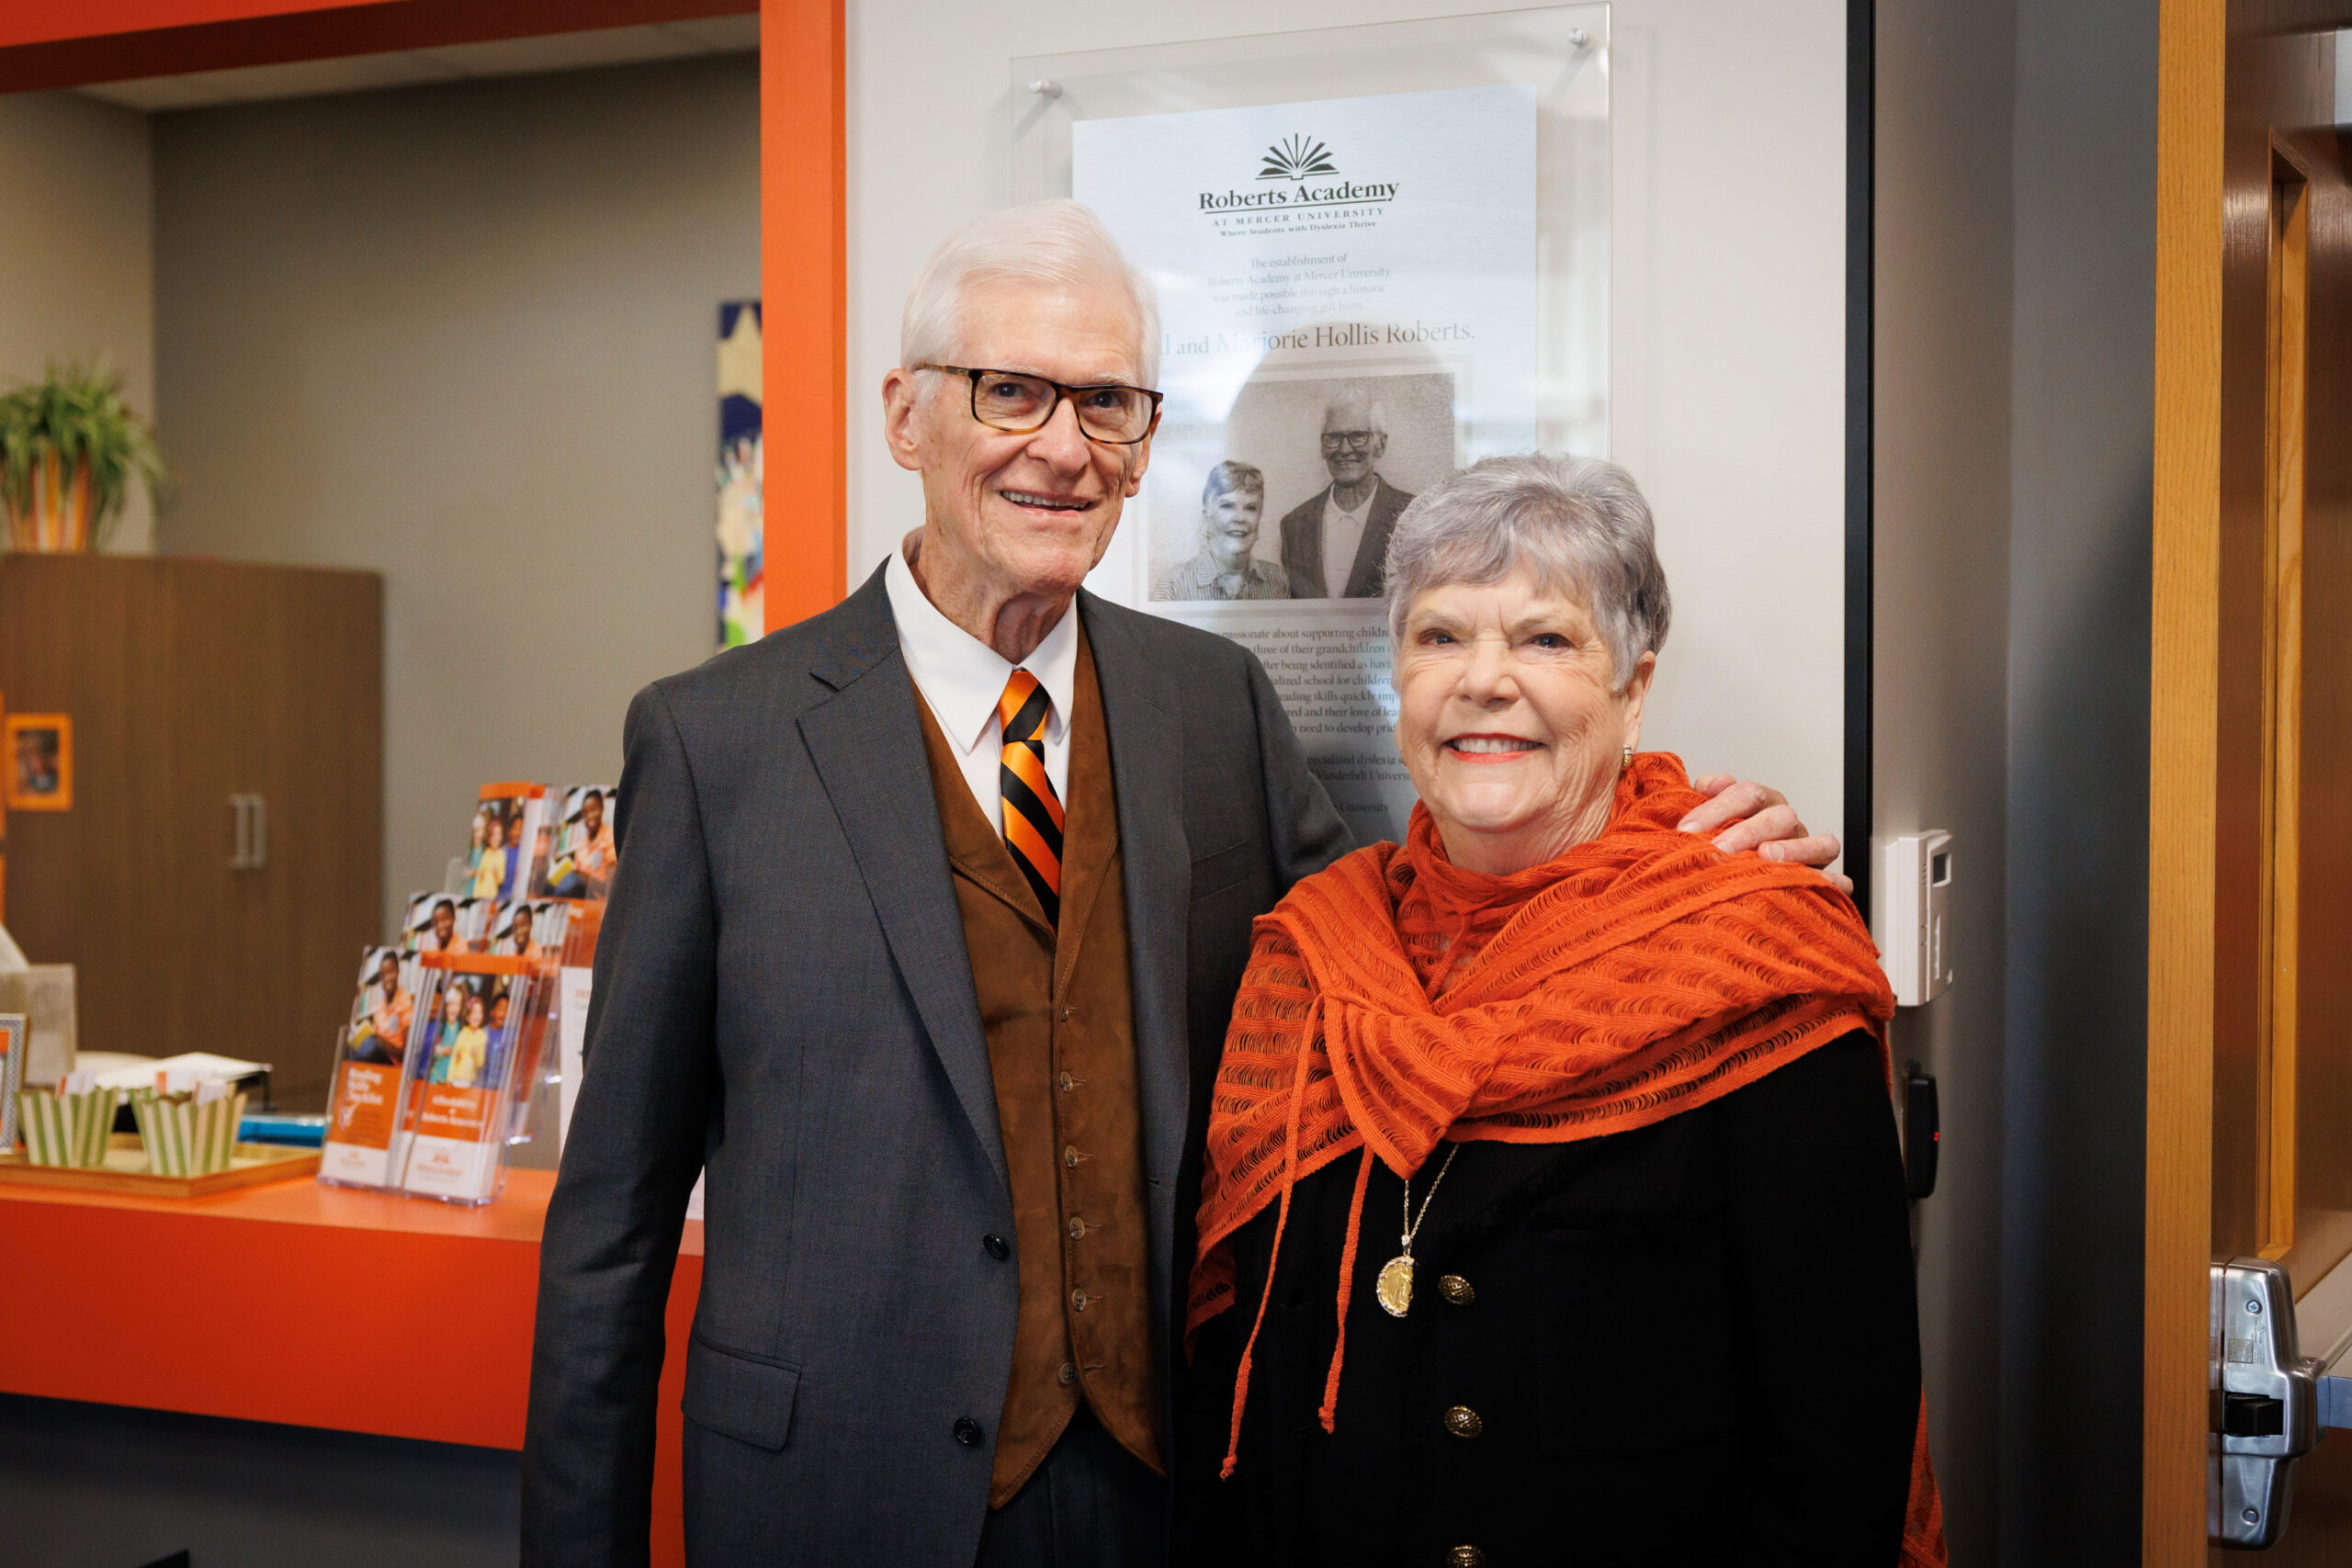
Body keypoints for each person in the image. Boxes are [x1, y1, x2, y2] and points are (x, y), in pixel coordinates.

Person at [522, 201, 1841, 1568]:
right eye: (1012, 390)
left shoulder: (1210, 702)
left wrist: (1668, 853)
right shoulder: (715, 742)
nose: (1062, 445)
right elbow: (610, 1223)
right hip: (839, 1490)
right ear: (906, 415)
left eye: (1108, 402)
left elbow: (1416, 936)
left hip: (1162, 1495)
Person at [1180, 455, 1940, 1567]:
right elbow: (1241, 1367)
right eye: (1440, 637)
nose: (1483, 681)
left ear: (1632, 688)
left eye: (1545, 639)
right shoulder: (1308, 958)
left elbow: (1840, 1440)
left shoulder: (1757, 957)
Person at [1278, 389, 1414, 599]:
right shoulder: (1294, 526)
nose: (1344, 449)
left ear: (1380, 445)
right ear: (1323, 447)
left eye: (1358, 436)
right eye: (1333, 437)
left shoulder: (1414, 515)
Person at [1154, 463, 1311, 601]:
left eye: (1251, 508)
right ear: (1206, 517)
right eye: (1227, 506)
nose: (1240, 518)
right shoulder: (1173, 584)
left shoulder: (1278, 579)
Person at [347, 953, 412, 1066]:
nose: (386, 979)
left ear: (398, 972)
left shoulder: (406, 1001)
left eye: (390, 972)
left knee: (370, 1045)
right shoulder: (380, 1007)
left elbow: (406, 1055)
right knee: (349, 1050)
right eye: (382, 976)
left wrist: (380, 1041)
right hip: (377, 1059)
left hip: (393, 1063)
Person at [471, 814, 509, 899]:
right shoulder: (485, 852)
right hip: (479, 893)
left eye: (498, 834)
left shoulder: (501, 854)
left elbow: (501, 879)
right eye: (494, 834)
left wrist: (496, 873)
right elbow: (479, 874)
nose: (496, 838)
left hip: (491, 896)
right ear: (489, 836)